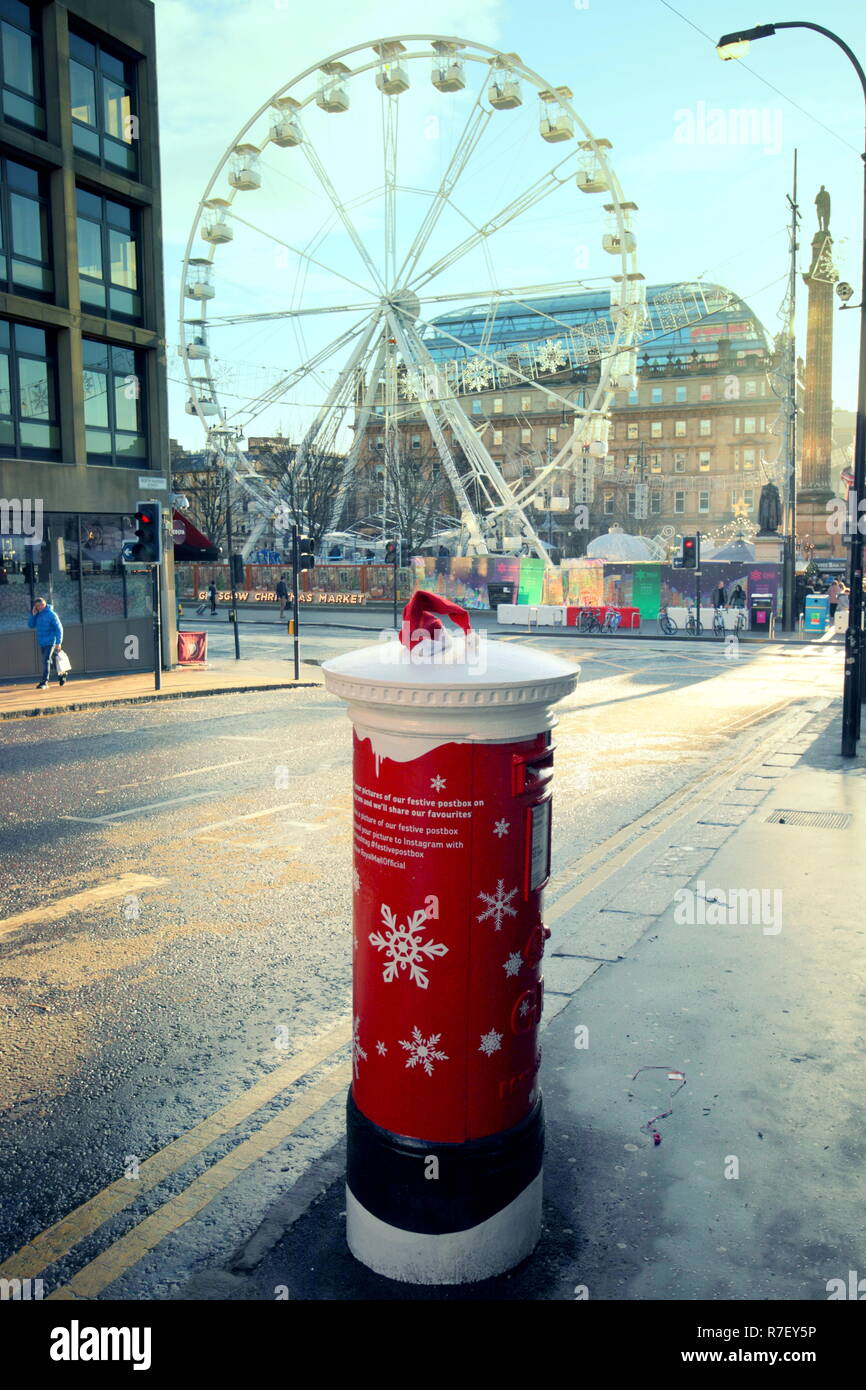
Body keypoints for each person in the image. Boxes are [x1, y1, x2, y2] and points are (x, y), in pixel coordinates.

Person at [27, 596, 64, 690]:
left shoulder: (52, 615)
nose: (37, 608)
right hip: (42, 642)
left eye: (38, 606)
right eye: (36, 606)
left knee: (45, 660)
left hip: (51, 641)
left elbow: (59, 629)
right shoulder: (38, 614)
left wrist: (59, 642)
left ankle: (44, 682)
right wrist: (33, 615)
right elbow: (31, 625)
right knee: (49, 661)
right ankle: (62, 673)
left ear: (43, 604)